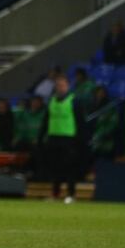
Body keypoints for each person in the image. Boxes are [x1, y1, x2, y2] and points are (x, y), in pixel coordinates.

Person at [40, 75, 86, 203]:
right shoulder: (52, 101)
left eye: (62, 85)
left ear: (67, 86)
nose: (60, 88)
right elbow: (46, 120)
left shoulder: (74, 101)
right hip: (53, 137)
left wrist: (80, 140)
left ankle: (71, 194)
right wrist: (41, 136)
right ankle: (55, 194)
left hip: (69, 138)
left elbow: (80, 122)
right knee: (55, 168)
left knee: (69, 168)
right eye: (58, 85)